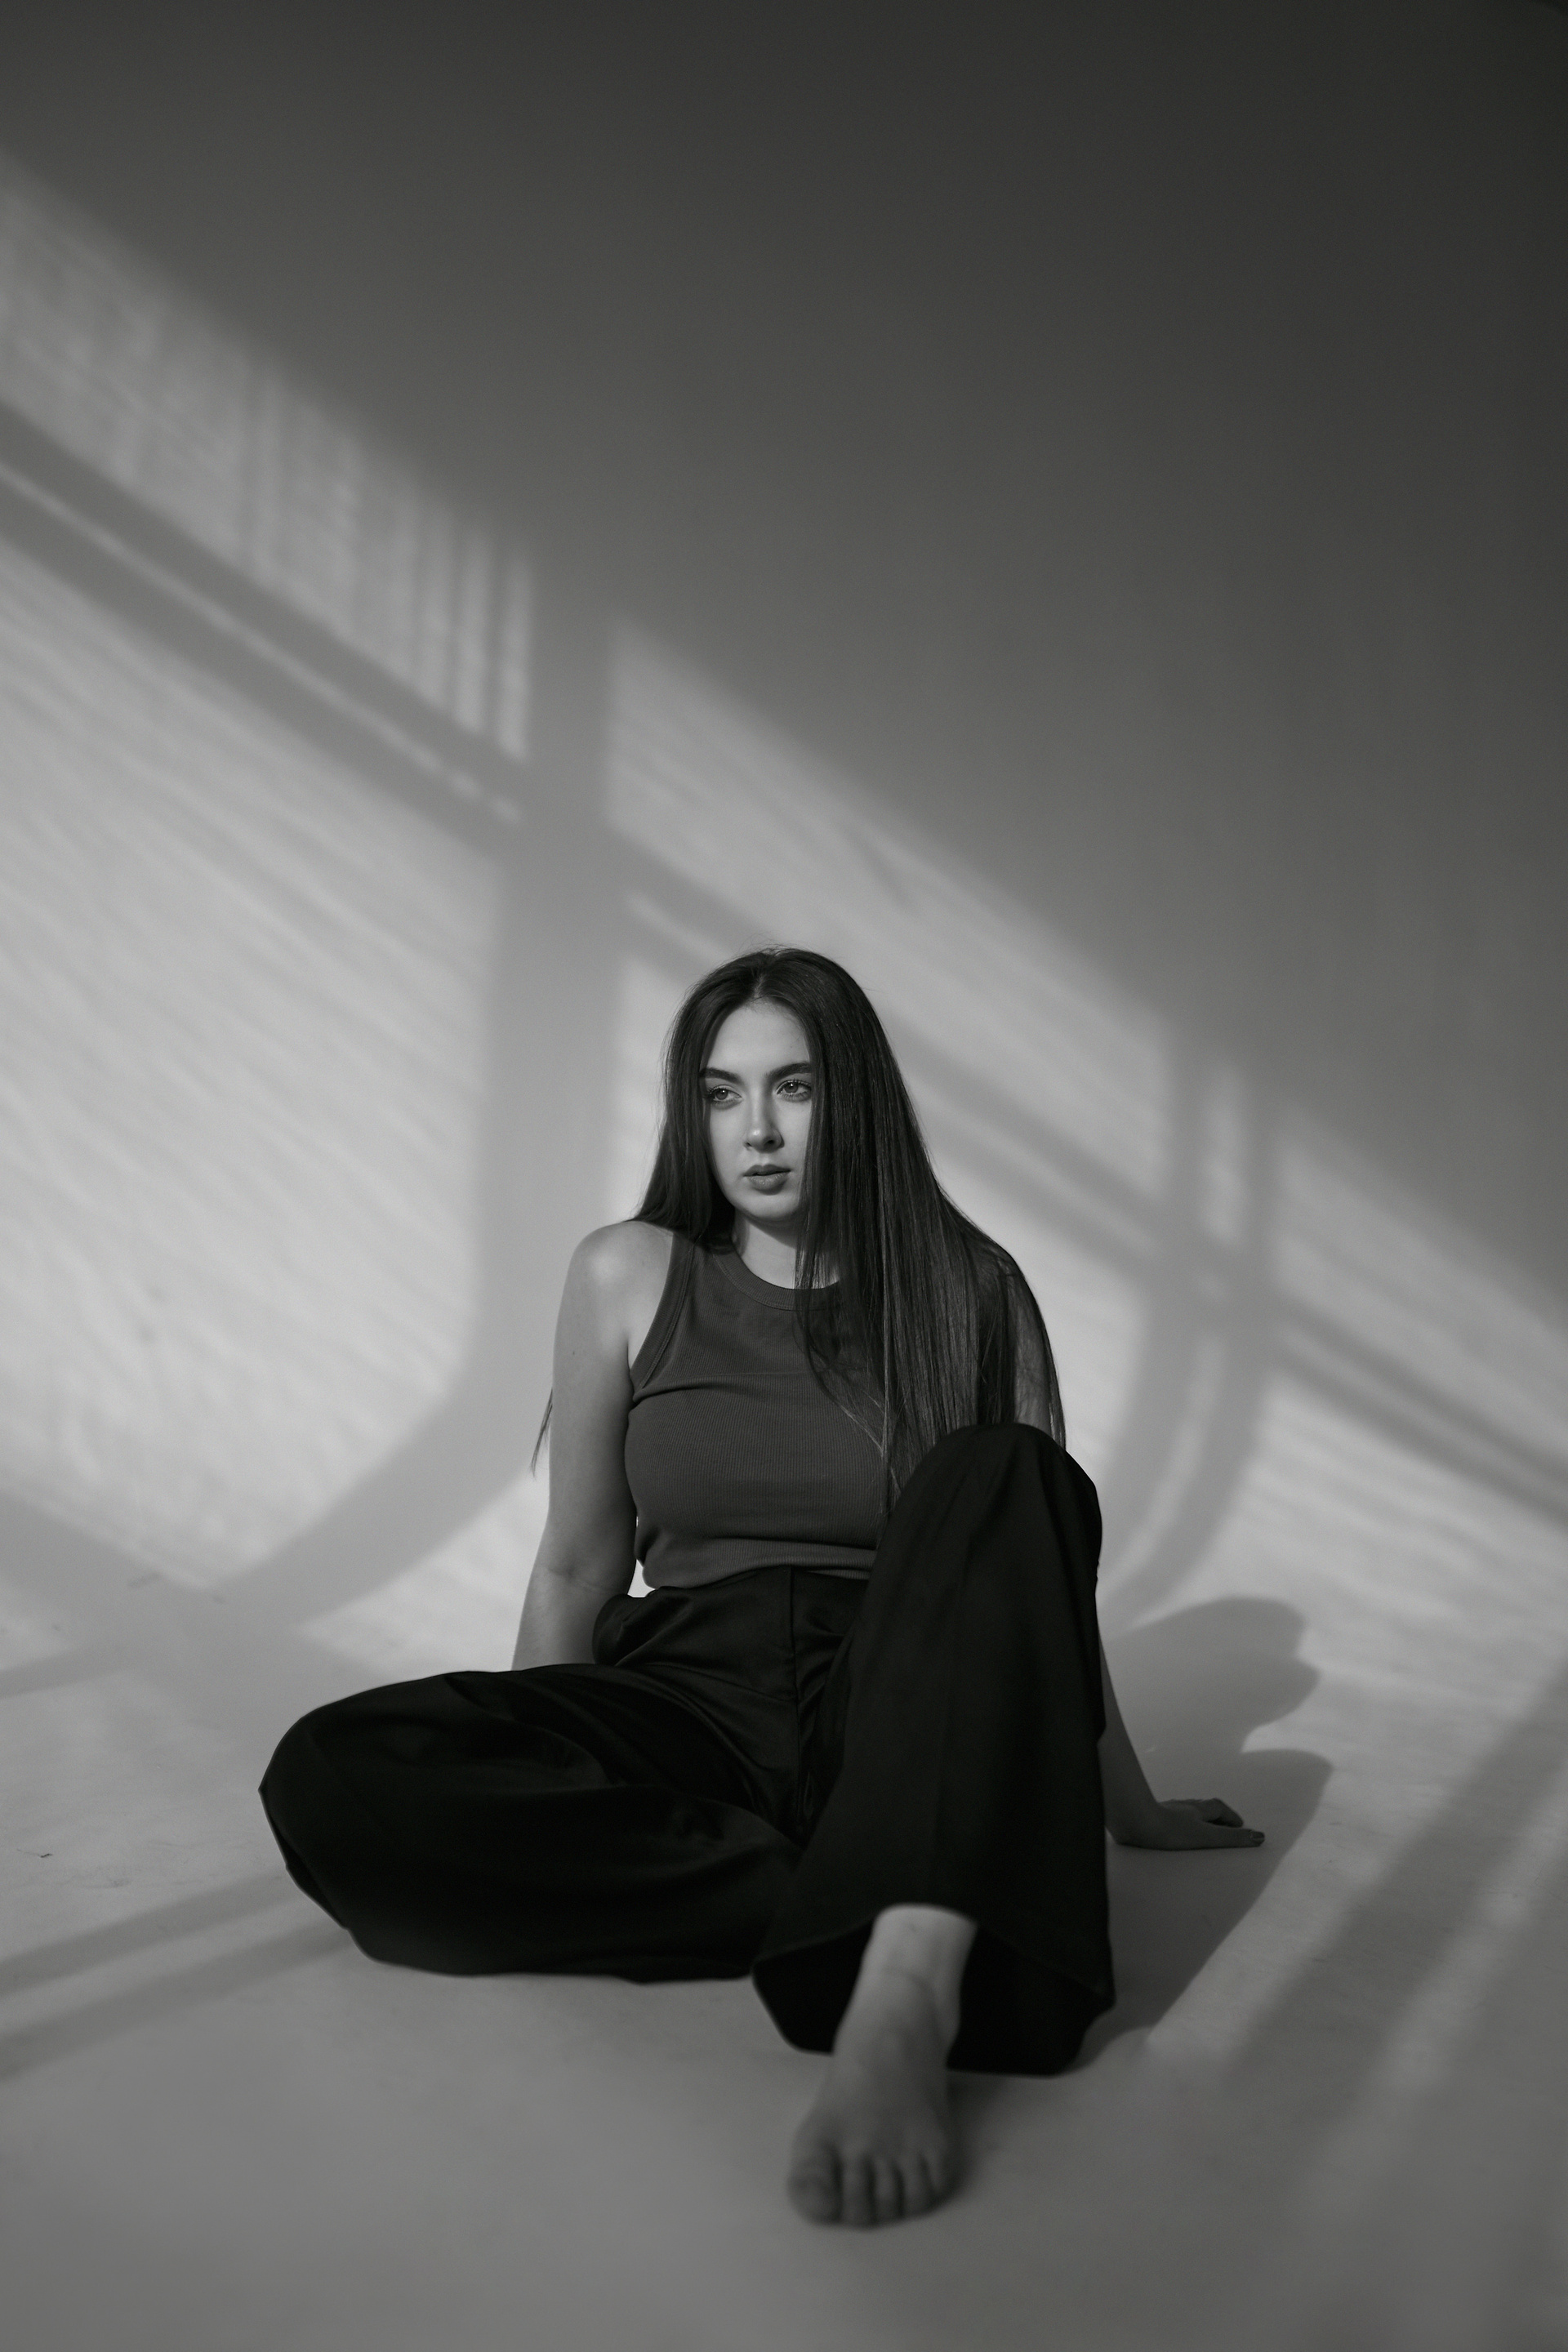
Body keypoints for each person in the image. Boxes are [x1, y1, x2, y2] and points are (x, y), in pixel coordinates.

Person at [261, 946, 1261, 2229]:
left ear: (854, 1099)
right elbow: (575, 1564)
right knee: (332, 1774)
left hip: (893, 1711)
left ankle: (902, 1993)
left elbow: (1026, 1580)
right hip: (685, 1702)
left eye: (793, 1087)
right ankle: (874, 1891)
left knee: (1010, 1470)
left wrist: (1136, 1807)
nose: (759, 1130)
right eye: (722, 1094)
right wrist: (546, 1763)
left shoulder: (972, 1291)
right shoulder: (626, 1273)